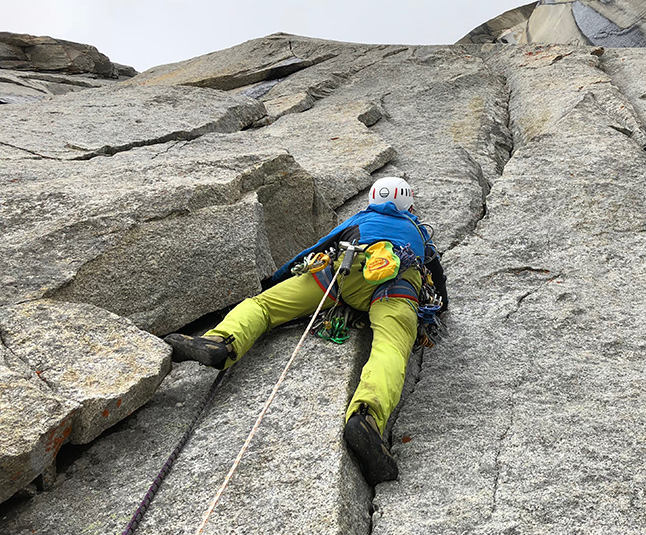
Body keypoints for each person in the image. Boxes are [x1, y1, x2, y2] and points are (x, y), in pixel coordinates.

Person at [164, 176, 448, 485]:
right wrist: (440, 306)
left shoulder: (361, 218)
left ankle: (220, 341)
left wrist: (276, 281)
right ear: (408, 203)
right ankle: (366, 416)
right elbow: (437, 280)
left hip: (341, 274)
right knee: (390, 347)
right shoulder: (417, 230)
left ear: (372, 199)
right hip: (396, 284)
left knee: (265, 306)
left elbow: (315, 249)